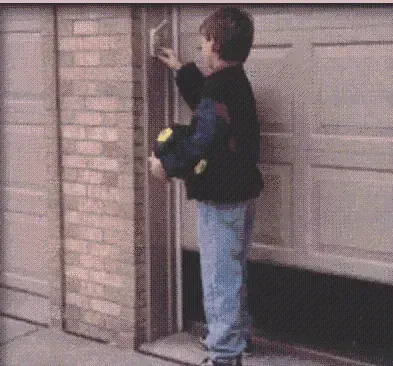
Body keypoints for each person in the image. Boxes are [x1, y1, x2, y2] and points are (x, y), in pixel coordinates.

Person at [148, 7, 263, 366]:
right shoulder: (233, 82)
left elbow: (204, 139)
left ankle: (224, 355)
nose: (201, 50)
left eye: (202, 44)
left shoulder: (220, 89)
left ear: (214, 43)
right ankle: (234, 337)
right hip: (240, 194)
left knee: (218, 279)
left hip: (221, 198)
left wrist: (165, 166)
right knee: (232, 271)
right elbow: (212, 109)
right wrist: (181, 68)